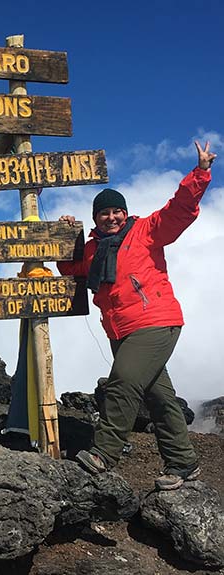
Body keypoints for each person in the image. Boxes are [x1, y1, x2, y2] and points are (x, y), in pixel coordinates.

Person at [57, 141, 216, 491]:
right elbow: (70, 267)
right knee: (159, 398)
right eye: (104, 213)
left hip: (155, 322)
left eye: (117, 211)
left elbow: (180, 211)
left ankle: (105, 453)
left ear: (124, 213)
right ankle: (183, 463)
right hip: (120, 330)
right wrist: (69, 232)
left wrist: (200, 174)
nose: (111, 217)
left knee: (124, 380)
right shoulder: (94, 248)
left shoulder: (145, 230)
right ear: (96, 218)